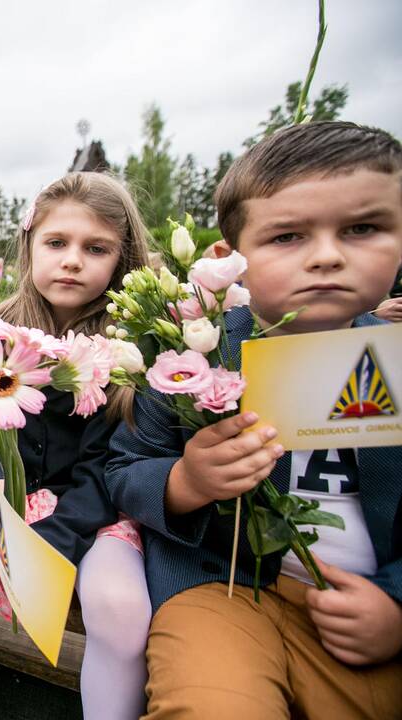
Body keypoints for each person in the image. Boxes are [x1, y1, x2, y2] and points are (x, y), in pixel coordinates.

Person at [107, 121, 402, 718]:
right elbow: (122, 469)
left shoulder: (394, 363)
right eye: (288, 236)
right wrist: (185, 482)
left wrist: (397, 606)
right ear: (230, 258)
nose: (327, 255)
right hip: (221, 587)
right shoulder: (194, 355)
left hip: (362, 613)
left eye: (363, 228)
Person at [0, 172, 153, 720]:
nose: (72, 260)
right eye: (56, 243)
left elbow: (110, 463)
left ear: (122, 257)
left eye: (95, 248)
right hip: (13, 497)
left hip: (101, 508)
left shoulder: (128, 344)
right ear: (29, 247)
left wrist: (51, 540)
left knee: (117, 607)